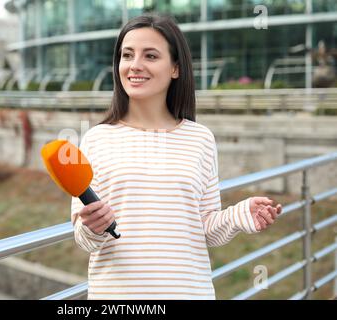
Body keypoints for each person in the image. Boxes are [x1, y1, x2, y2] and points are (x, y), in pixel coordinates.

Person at [71, 14, 282, 300]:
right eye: (127, 55)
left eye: (151, 56)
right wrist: (93, 228)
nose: (135, 65)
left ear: (175, 68)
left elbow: (206, 232)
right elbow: (84, 240)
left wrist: (238, 215)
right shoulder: (96, 139)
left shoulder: (201, 139)